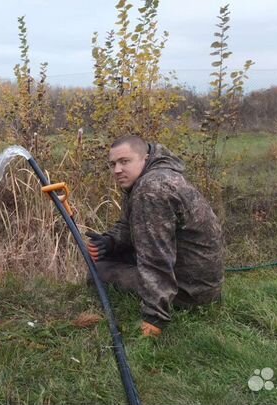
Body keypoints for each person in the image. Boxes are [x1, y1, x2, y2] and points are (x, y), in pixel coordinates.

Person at [85, 135, 223, 337]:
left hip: (190, 289)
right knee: (108, 257)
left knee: (97, 272)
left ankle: (165, 311)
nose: (117, 170)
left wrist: (154, 318)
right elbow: (132, 225)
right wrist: (110, 242)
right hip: (199, 276)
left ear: (145, 157)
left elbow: (156, 257)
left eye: (125, 162)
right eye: (113, 164)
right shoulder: (155, 175)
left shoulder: (150, 190)